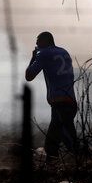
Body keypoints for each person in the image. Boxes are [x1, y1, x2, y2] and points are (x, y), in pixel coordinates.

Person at [25, 31, 78, 160]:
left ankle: (84, 158)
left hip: (60, 102)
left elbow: (29, 76)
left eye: (38, 42)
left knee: (63, 138)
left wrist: (33, 57)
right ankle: (53, 162)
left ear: (45, 42)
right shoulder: (64, 52)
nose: (36, 45)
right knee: (60, 136)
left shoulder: (43, 54)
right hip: (70, 99)